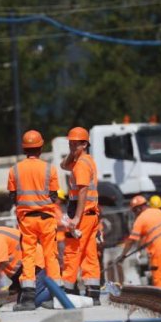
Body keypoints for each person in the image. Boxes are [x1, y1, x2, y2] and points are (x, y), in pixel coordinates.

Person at [7, 130, 61, 311]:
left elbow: (13, 196)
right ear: (41, 147)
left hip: (26, 220)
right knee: (50, 256)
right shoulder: (50, 168)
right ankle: (56, 297)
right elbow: (54, 196)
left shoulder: (15, 170)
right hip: (46, 219)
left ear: (24, 149)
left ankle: (28, 300)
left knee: (28, 257)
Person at [60, 126, 102, 304]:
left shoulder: (81, 165)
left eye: (75, 144)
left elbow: (83, 191)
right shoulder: (86, 160)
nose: (72, 147)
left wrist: (76, 218)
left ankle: (65, 293)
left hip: (83, 215)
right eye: (70, 144)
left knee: (72, 251)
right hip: (91, 215)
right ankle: (93, 294)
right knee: (89, 254)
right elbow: (63, 165)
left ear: (84, 144)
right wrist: (73, 152)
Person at [117, 195, 161, 287]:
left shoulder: (140, 220)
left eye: (134, 211)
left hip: (158, 252)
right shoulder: (158, 211)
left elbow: (131, 240)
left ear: (138, 209)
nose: (135, 214)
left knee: (159, 280)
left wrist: (123, 255)